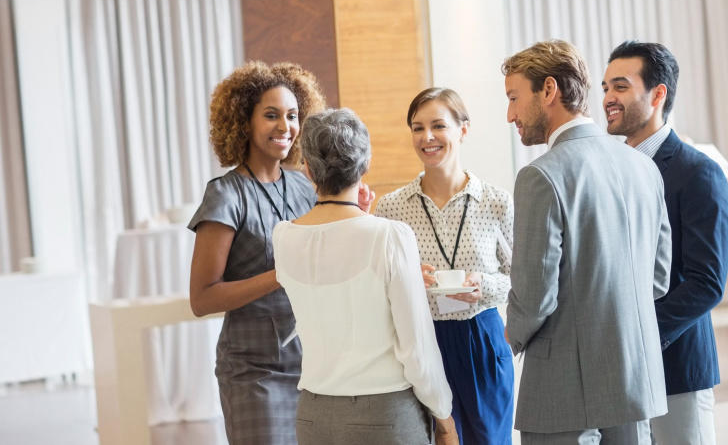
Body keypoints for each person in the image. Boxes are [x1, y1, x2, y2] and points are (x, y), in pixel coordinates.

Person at [502, 39, 672, 444]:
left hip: (564, 390)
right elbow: (659, 278)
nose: (510, 115)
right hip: (635, 380)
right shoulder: (643, 167)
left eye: (513, 98)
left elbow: (534, 297)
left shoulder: (541, 176)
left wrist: (507, 339)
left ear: (548, 90)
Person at [272, 108, 458, 445]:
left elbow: (332, 271)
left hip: (313, 416)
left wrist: (360, 219)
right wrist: (444, 419)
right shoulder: (390, 236)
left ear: (309, 171)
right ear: (366, 165)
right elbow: (417, 348)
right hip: (384, 415)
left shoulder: (283, 237)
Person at [602, 40, 728, 445]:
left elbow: (706, 283)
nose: (607, 98)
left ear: (658, 94)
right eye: (605, 87)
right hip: (616, 370)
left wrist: (637, 334)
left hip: (676, 364)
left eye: (620, 87)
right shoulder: (608, 170)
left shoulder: (698, 173)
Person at [188, 62, 325, 445]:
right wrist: (280, 274)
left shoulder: (304, 187)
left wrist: (357, 213)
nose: (285, 126)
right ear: (243, 122)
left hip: (313, 366)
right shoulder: (225, 195)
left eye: (293, 116)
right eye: (271, 115)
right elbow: (202, 298)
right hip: (254, 373)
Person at [375, 88, 515, 444]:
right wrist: (407, 279)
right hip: (422, 339)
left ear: (463, 130)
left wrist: (484, 285)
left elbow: (522, 278)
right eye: (417, 128)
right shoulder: (391, 208)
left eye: (438, 125)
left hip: (482, 337)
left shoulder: (496, 202)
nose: (427, 137)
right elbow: (376, 284)